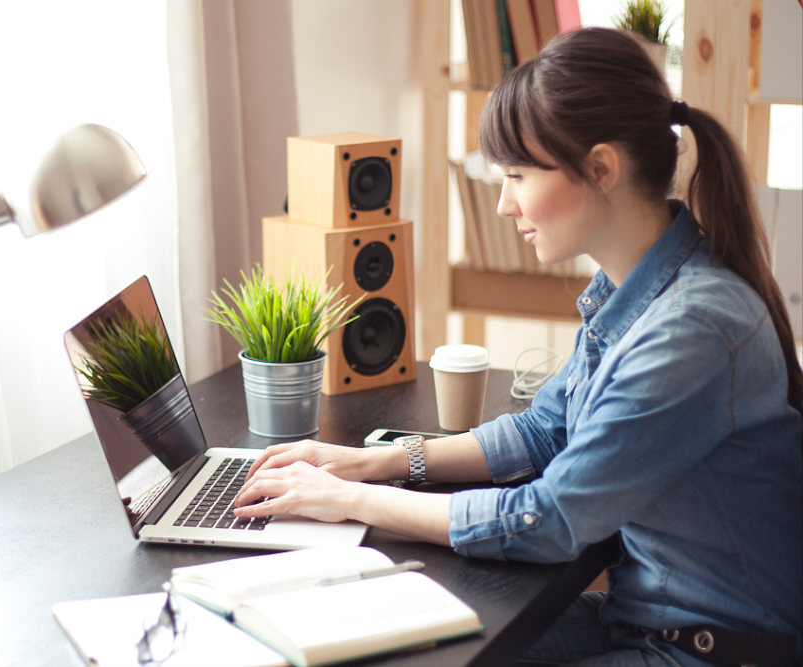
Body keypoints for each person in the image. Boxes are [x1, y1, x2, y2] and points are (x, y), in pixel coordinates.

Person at [233, 27, 803, 667]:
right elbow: (544, 429)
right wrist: (368, 464)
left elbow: (548, 519)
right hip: (640, 620)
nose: (503, 204)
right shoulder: (633, 286)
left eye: (516, 175)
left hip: (709, 651)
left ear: (602, 168)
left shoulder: (691, 328)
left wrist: (348, 502)